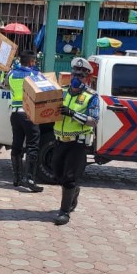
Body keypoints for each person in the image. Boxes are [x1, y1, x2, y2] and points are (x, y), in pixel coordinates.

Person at [52, 56, 99, 225]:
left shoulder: (91, 96)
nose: (76, 78)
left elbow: (93, 120)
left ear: (87, 78)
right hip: (59, 140)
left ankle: (64, 212)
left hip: (77, 143)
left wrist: (72, 113)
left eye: (80, 75)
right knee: (57, 174)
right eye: (74, 74)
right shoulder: (62, 92)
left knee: (69, 177)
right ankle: (74, 191)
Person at [5, 49, 45, 192]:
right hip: (28, 114)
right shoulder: (35, 75)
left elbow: (6, 84)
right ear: (32, 62)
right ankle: (29, 179)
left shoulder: (11, 74)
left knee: (16, 145)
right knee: (32, 146)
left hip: (15, 114)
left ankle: (16, 178)